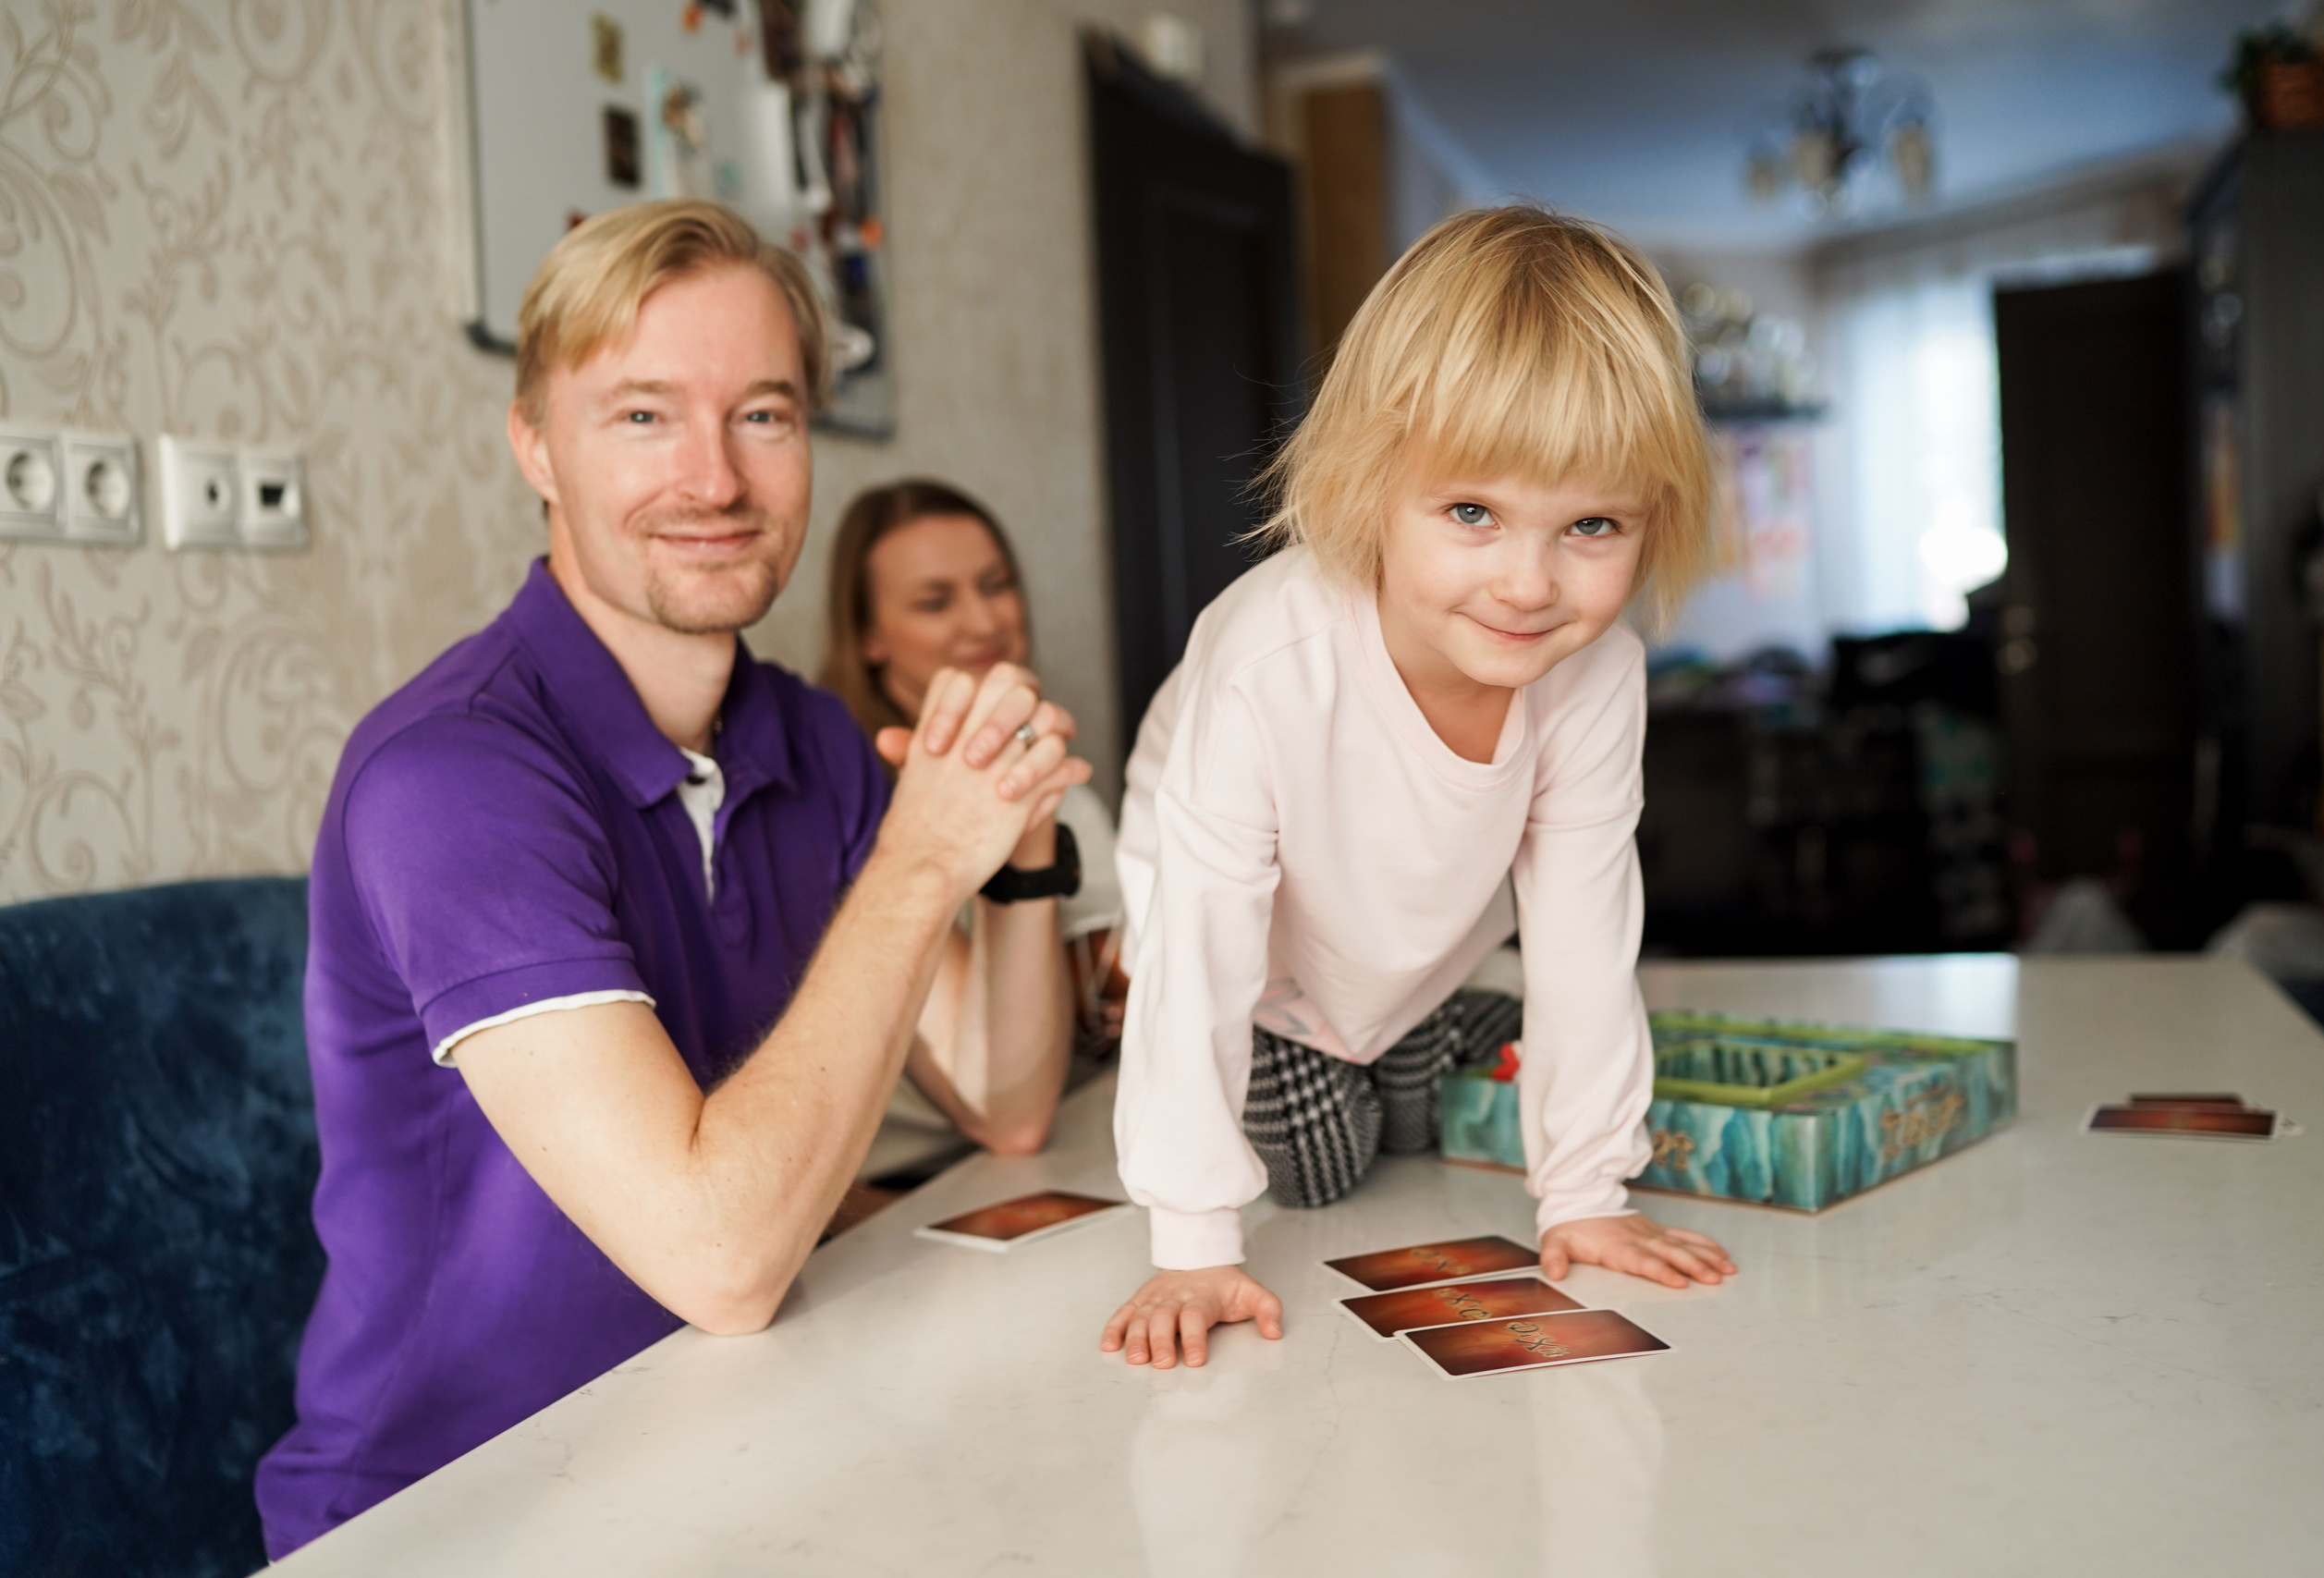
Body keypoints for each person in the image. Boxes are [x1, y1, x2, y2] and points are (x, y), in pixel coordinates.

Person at [254, 200, 1090, 1554]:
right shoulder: (452, 775)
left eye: (762, 414)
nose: (715, 478)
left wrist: (1021, 835)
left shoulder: (810, 736)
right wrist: (925, 851)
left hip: (728, 1442)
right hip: (451, 1510)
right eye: (644, 416)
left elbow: (1003, 1099)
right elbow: (723, 1257)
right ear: (535, 442)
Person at [1102, 205, 1738, 1371]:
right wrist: (1191, 1242)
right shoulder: (1266, 661)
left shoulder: (1597, 674)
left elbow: (1585, 931)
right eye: (1471, 514)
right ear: (1369, 482)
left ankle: (1411, 1043)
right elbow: (1202, 943)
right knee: (1329, 1162)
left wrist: (1584, 1191)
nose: (1529, 583)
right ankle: (1388, 1056)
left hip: (1411, 950)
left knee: (1498, 1050)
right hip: (1256, 978)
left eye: (1591, 524)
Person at [819, 480, 1129, 1184]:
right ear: (867, 635)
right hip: (899, 1184)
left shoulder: (1054, 776)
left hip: (1052, 1141)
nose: (984, 619)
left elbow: (1110, 992)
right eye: (935, 601)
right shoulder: (842, 796)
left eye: (997, 584)